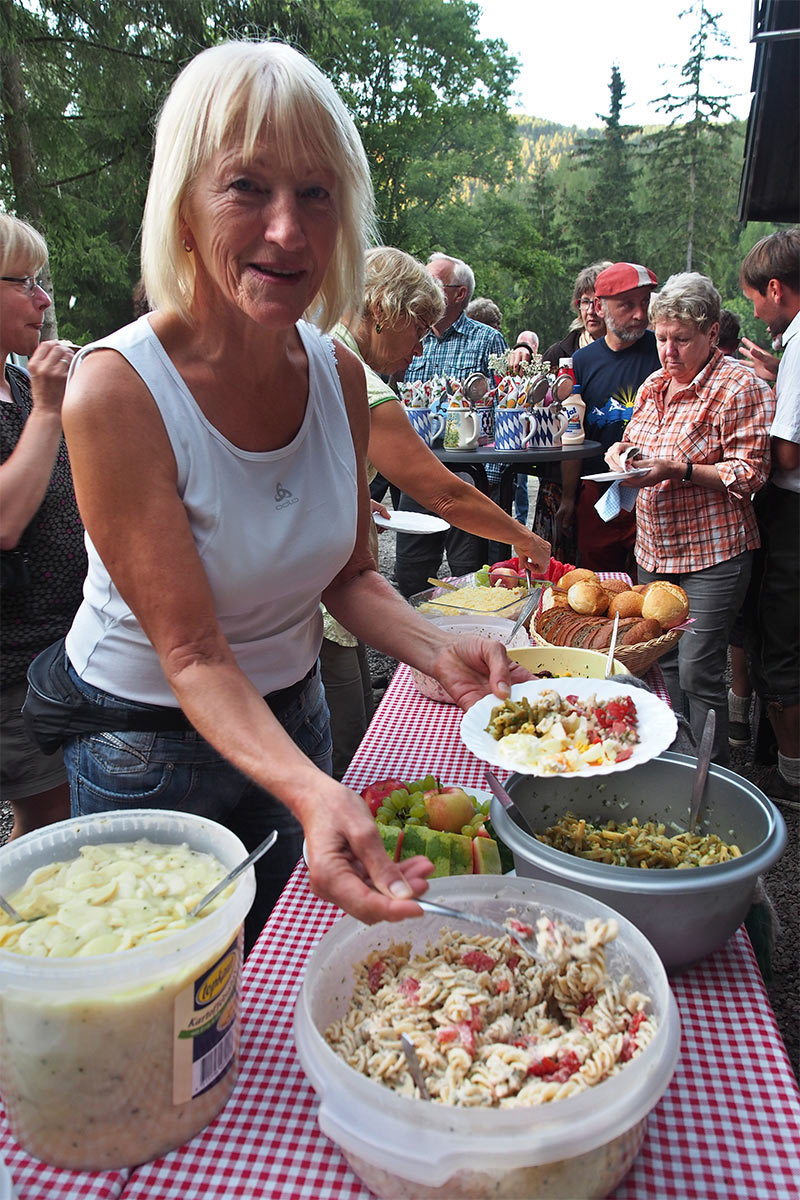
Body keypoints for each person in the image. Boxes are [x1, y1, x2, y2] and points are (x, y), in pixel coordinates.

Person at [46, 41, 529, 950]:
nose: (288, 231)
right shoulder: (116, 388)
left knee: (289, 966)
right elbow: (189, 651)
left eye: (315, 193)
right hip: (146, 745)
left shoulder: (339, 373)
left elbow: (349, 576)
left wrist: (439, 649)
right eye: (247, 188)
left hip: (294, 707)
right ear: (183, 204)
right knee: (169, 1009)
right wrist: (313, 789)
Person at [323, 247, 550, 777]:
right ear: (384, 310)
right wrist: (526, 538)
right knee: (347, 743)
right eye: (420, 325)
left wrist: (357, 495)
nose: (423, 342)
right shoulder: (358, 376)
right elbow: (444, 494)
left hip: (329, 597)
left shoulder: (329, 352)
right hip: (320, 605)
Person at [606, 272, 772, 764]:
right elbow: (637, 438)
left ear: (712, 334)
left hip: (713, 553)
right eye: (661, 338)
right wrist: (623, 454)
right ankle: (668, 760)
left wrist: (677, 470)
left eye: (681, 340)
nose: (668, 352)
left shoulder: (737, 386)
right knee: (659, 661)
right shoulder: (656, 383)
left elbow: (750, 473)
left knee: (699, 668)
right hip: (655, 548)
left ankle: (709, 776)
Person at [0, 215, 86, 839]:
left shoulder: (17, 384)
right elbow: (4, 522)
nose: (44, 299)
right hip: (11, 662)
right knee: (47, 815)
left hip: (62, 645)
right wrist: (52, 406)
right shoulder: (36, 396)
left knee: (72, 803)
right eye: (23, 281)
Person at [395, 253, 508, 595]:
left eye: (433, 284)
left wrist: (490, 482)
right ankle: (415, 645)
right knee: (411, 570)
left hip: (469, 477)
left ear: (459, 294)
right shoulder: (412, 339)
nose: (422, 290)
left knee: (473, 573)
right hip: (418, 472)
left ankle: (474, 643)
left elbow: (503, 411)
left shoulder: (487, 341)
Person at [739, 229, 800, 809]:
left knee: (781, 638)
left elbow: (785, 453)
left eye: (756, 298)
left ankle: (792, 775)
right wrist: (775, 372)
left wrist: (776, 389)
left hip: (792, 511)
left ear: (776, 289)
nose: (754, 310)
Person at [510, 262, 612, 560]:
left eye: (598, 302)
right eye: (584, 302)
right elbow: (525, 398)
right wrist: (522, 353)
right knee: (550, 562)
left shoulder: (629, 355)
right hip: (557, 480)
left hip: (606, 477)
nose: (591, 310)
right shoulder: (560, 353)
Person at [564, 261, 661, 576]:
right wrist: (568, 497)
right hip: (597, 491)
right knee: (598, 582)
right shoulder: (582, 361)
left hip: (652, 490)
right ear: (600, 307)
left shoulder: (663, 352)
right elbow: (572, 432)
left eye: (645, 304)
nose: (639, 314)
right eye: (627, 305)